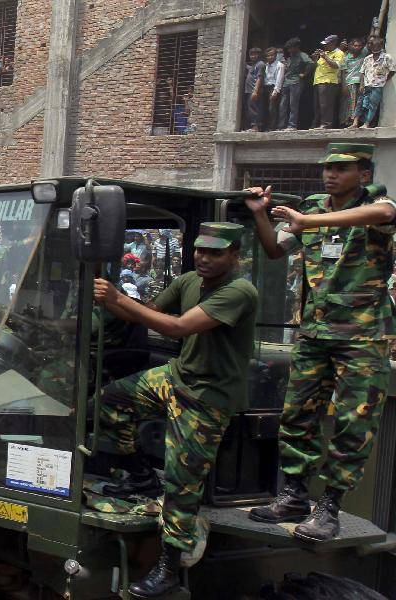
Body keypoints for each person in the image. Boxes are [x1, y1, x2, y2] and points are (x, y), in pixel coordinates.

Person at [92, 222, 257, 597]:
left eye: (216, 252)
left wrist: (118, 299)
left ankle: (168, 565)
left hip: (207, 396)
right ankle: (139, 475)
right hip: (177, 376)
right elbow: (148, 312)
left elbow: (178, 327)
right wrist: (110, 302)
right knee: (109, 400)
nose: (205, 257)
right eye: (201, 250)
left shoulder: (238, 291)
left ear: (234, 256)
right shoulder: (187, 282)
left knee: (183, 484)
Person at [246, 143, 395, 541]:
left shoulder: (378, 204)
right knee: (297, 416)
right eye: (328, 168)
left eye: (342, 168)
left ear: (363, 174)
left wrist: (310, 221)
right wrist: (261, 215)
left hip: (361, 338)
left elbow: (385, 214)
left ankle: (329, 505)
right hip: (314, 333)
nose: (330, 174)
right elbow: (276, 249)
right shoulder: (311, 207)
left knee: (352, 423)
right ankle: (293, 494)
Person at [352, 35, 394, 129]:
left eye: (372, 43)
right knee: (360, 103)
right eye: (369, 43)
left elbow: (392, 70)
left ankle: (367, 123)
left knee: (372, 105)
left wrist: (383, 80)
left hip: (377, 86)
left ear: (379, 44)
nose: (370, 45)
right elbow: (362, 72)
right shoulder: (368, 58)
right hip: (366, 85)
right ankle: (355, 123)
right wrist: (362, 84)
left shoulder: (386, 57)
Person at [278, 38, 314, 131]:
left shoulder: (302, 55)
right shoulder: (290, 57)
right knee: (283, 105)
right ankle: (281, 126)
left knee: (293, 105)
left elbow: (311, 63)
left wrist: (304, 74)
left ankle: (292, 125)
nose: (289, 50)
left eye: (291, 48)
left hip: (296, 82)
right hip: (286, 83)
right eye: (288, 48)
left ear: (296, 47)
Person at [311, 35, 344, 129]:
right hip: (318, 81)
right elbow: (317, 66)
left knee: (326, 105)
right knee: (318, 105)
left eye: (327, 44)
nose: (324, 46)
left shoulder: (339, 53)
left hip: (328, 81)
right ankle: (318, 123)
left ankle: (326, 124)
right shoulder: (324, 53)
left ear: (333, 43)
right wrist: (315, 59)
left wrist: (325, 57)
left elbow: (336, 65)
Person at [244, 47, 266, 131]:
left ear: (259, 55)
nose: (253, 56)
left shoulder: (260, 64)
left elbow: (259, 78)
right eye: (251, 54)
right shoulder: (254, 65)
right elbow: (249, 68)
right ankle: (253, 126)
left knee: (254, 108)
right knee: (250, 108)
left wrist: (255, 91)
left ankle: (255, 127)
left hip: (254, 90)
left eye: (255, 54)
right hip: (249, 90)